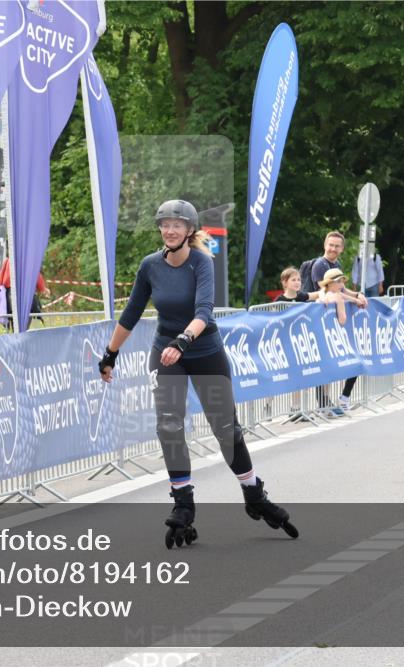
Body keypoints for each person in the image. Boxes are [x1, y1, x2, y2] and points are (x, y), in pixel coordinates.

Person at [97, 200, 298, 548]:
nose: (170, 230)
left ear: (189, 230)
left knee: (226, 428)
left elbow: (204, 311)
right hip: (166, 353)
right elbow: (131, 312)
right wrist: (110, 353)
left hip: (204, 351)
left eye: (177, 225)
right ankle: (183, 503)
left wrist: (184, 340)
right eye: (165, 224)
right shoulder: (150, 266)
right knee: (169, 424)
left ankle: (254, 494)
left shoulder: (201, 262)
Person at [301, 231, 368, 416]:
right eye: (331, 245)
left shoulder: (336, 265)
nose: (333, 248)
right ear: (325, 245)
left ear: (342, 249)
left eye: (337, 246)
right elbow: (330, 291)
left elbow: (341, 288)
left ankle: (328, 402)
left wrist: (358, 295)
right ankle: (322, 404)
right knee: (324, 362)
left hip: (331, 323)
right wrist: (354, 300)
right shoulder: (319, 265)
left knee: (331, 361)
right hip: (318, 320)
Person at [0, 256, 51, 329]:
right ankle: (21, 333)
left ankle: (15, 333)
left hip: (10, 293)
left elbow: (1, 276)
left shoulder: (8, 259)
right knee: (24, 323)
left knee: (14, 321)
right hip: (25, 294)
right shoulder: (28, 258)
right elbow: (36, 275)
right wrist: (43, 289)